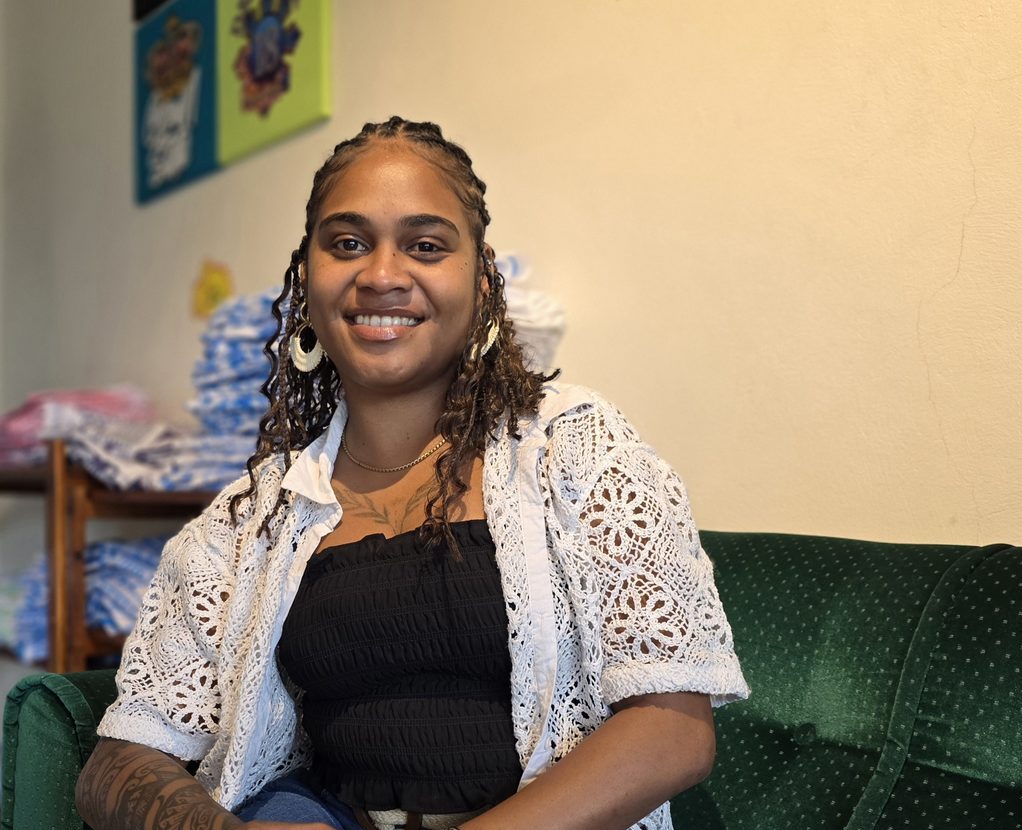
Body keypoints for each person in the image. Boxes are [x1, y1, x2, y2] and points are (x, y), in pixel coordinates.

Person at [75, 116, 749, 830]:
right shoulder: (252, 519)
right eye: (347, 243)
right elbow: (118, 763)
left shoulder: (575, 450)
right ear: (306, 278)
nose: (382, 275)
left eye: (426, 245)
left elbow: (672, 733)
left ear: (481, 281)